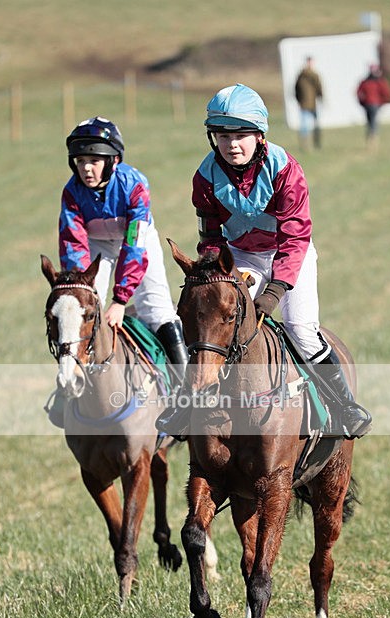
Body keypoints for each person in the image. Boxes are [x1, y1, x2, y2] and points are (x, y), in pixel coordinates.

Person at [156, 84, 371, 440]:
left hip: (290, 254)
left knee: (300, 329)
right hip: (240, 256)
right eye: (223, 136)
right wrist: (213, 274)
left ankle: (344, 405)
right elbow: (210, 237)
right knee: (212, 322)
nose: (232, 144)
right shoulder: (204, 176)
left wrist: (274, 292)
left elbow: (295, 237)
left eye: (241, 135)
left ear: (259, 136)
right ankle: (187, 405)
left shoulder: (285, 170)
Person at [47, 116, 187, 427]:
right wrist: (83, 290)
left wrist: (120, 300)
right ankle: (67, 388)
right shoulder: (72, 192)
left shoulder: (135, 184)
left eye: (94, 161)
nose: (86, 168)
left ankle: (189, 397)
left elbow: (134, 246)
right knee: (79, 309)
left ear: (114, 160)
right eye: (81, 161)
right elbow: (73, 245)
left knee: (158, 311)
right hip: (98, 247)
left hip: (137, 241)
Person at [356, 64, 390, 148]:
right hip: (370, 105)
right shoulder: (372, 81)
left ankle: (372, 141)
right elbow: (359, 93)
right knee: (372, 122)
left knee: (371, 122)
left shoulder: (374, 81)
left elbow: (386, 93)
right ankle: (372, 141)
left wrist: (382, 103)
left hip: (372, 104)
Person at [294, 56, 323, 150]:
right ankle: (306, 144)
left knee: (313, 125)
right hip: (306, 104)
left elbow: (318, 88)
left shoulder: (306, 75)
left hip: (311, 104)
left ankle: (315, 143)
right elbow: (296, 90)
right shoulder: (304, 76)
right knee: (306, 126)